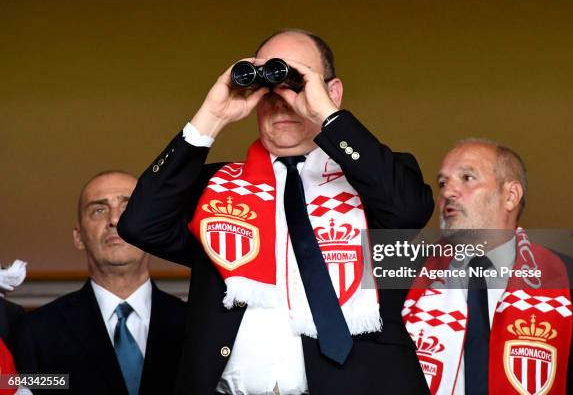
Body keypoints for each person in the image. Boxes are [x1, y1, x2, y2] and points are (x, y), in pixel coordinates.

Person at [118, 29, 434, 394]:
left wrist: (327, 115)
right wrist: (211, 116)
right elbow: (140, 223)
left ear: (332, 92)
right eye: (269, 86)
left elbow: (409, 209)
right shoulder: (216, 189)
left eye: (296, 82)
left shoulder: (373, 179)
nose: (282, 99)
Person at [403, 139, 573, 394]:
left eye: (467, 178)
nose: (448, 192)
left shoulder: (568, 277)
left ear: (510, 196)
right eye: (443, 183)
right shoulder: (408, 275)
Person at [13, 171, 186, 395]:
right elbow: (15, 386)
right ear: (79, 236)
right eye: (99, 210)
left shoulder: (196, 325)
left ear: (154, 227)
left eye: (128, 207)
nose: (115, 219)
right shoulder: (36, 331)